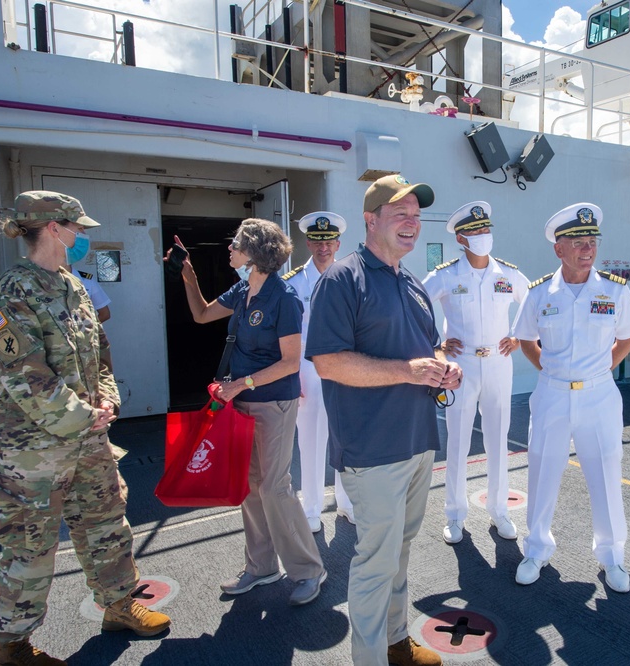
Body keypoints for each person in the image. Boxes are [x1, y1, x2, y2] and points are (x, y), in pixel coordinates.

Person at [0, 191, 170, 666]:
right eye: (78, 228)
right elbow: (24, 376)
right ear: (54, 228)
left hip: (88, 442)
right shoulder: (5, 295)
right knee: (31, 551)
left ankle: (118, 606)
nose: (83, 237)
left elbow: (101, 353)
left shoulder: (71, 287)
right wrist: (82, 416)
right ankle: (11, 648)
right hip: (29, 453)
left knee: (106, 526)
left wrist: (109, 400)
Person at [307, 174, 461, 666]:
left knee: (400, 551)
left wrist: (441, 366)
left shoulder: (410, 281)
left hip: (417, 442)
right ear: (371, 220)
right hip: (373, 451)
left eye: (416, 216)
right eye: (401, 215)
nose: (412, 224)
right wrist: (408, 371)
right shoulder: (342, 279)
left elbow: (422, 352)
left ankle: (395, 643)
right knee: (375, 563)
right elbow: (327, 361)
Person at [168, 218, 327, 605]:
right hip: (241, 405)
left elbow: (291, 362)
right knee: (251, 487)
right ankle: (261, 566)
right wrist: (188, 276)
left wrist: (242, 384)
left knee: (274, 487)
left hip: (272, 403)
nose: (230, 249)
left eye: (236, 244)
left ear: (255, 254)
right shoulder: (243, 289)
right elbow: (203, 314)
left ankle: (308, 570)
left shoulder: (284, 297)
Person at [510, 203, 630, 593]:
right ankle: (535, 549)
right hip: (552, 393)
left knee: (605, 473)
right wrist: (552, 372)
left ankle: (612, 556)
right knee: (542, 469)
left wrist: (600, 370)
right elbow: (525, 339)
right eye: (578, 242)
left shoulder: (614, 291)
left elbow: (627, 338)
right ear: (559, 249)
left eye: (592, 241)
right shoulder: (539, 294)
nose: (587, 248)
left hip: (599, 395)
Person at [422, 201, 529, 545]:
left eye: (486, 229)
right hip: (462, 365)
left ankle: (499, 510)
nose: (484, 235)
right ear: (461, 238)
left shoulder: (508, 275)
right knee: (458, 441)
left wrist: (519, 336)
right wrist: (437, 346)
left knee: (498, 438)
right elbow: (415, 306)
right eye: (476, 231)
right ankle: (455, 514)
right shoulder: (446, 275)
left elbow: (534, 305)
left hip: (498, 363)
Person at [282, 211, 354, 532]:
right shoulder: (293, 284)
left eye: (329, 241)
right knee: (310, 441)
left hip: (344, 370)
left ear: (338, 243)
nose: (323, 247)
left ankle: (346, 502)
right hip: (308, 371)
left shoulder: (351, 279)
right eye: (317, 241)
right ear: (308, 242)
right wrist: (290, 376)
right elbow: (286, 334)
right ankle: (311, 507)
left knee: (346, 438)